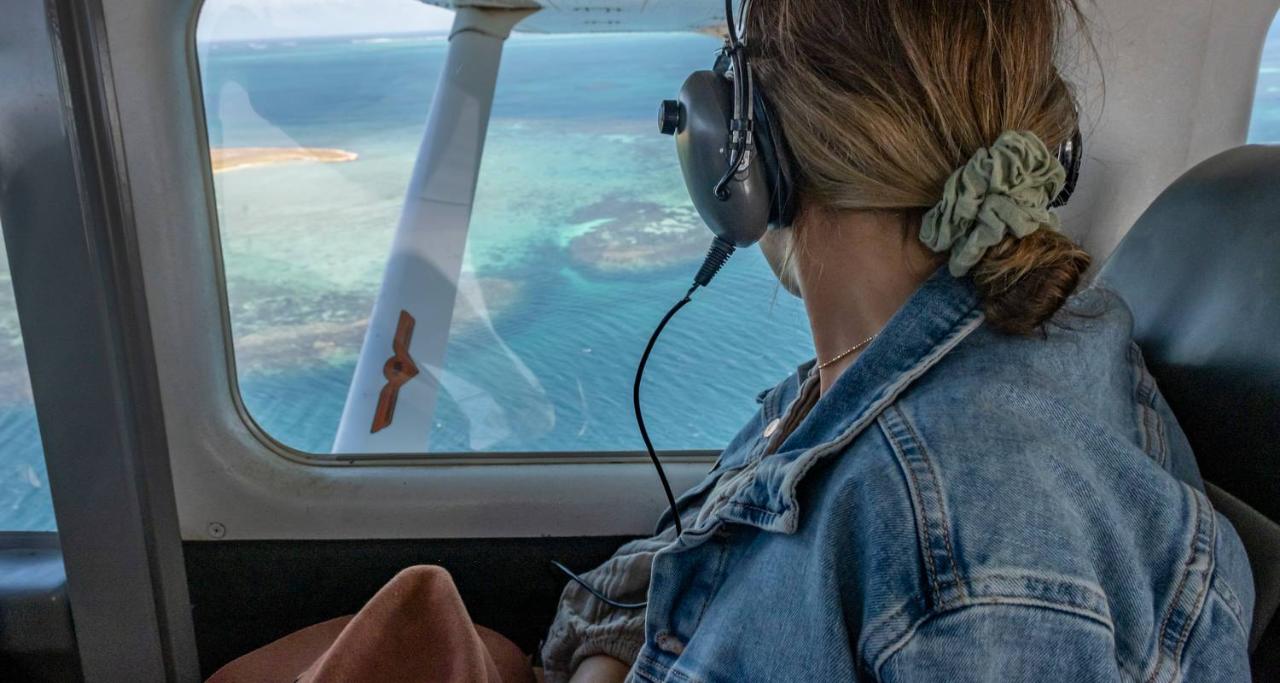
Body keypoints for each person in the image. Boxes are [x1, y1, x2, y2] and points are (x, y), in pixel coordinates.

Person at [541, 1, 1255, 681]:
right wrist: (606, 658)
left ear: (750, 148)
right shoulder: (871, 383)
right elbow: (700, 569)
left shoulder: (968, 527)